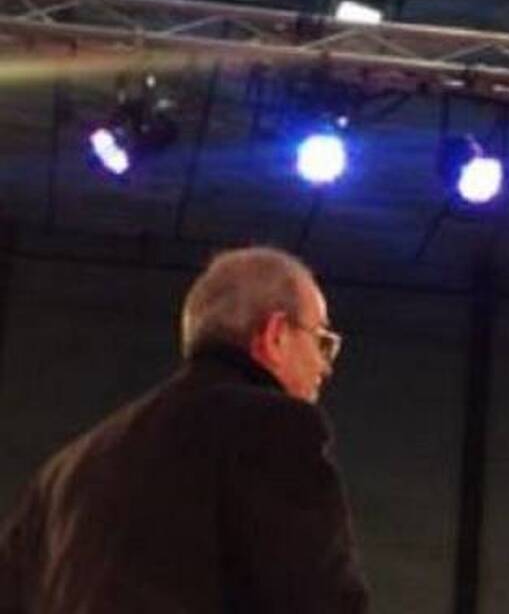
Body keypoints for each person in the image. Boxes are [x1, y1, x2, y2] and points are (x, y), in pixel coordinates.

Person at [0, 247, 369, 613]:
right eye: (321, 340)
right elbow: (316, 598)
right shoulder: (272, 427)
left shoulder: (64, 472)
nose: (325, 367)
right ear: (275, 334)